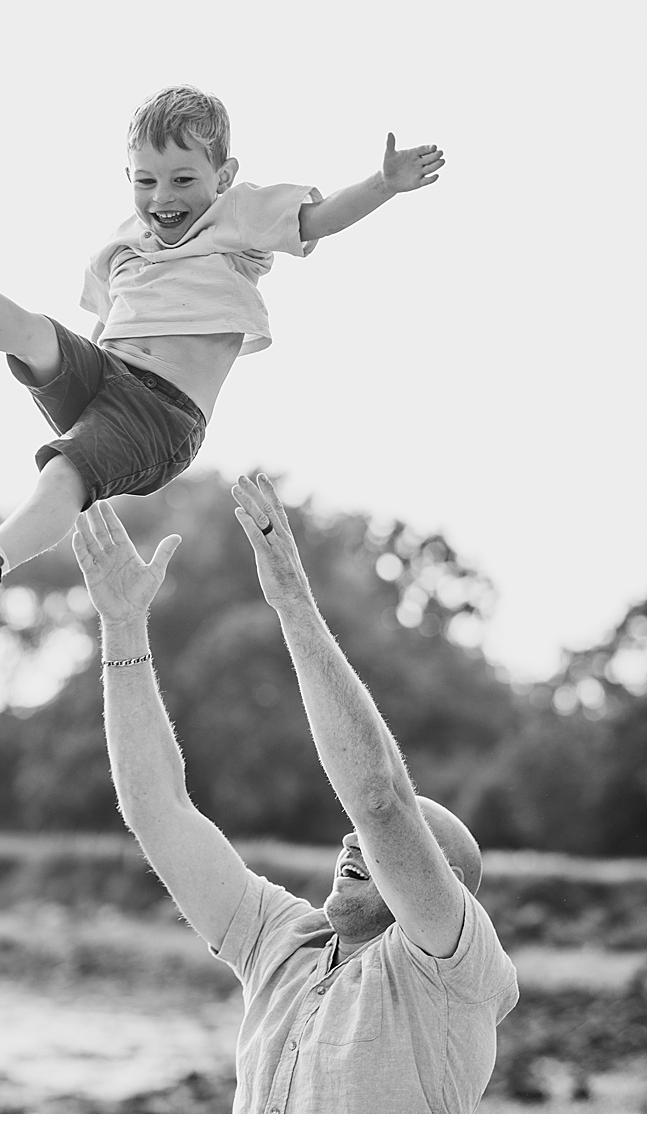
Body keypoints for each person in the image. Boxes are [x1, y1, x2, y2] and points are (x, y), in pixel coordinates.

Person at [0, 85, 445, 625]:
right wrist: (70, 381)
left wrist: (385, 183)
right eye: (146, 181)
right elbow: (101, 328)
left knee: (64, 472)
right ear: (128, 177)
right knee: (35, 334)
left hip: (161, 413)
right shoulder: (120, 246)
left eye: (183, 179)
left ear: (223, 177)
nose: (163, 198)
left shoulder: (238, 216)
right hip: (106, 375)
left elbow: (316, 221)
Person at [71, 475, 517, 1113]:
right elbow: (158, 811)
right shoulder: (281, 943)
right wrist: (122, 628)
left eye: (398, 848)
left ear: (438, 880)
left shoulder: (451, 965)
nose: (354, 840)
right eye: (359, 839)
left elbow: (379, 799)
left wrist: (293, 605)